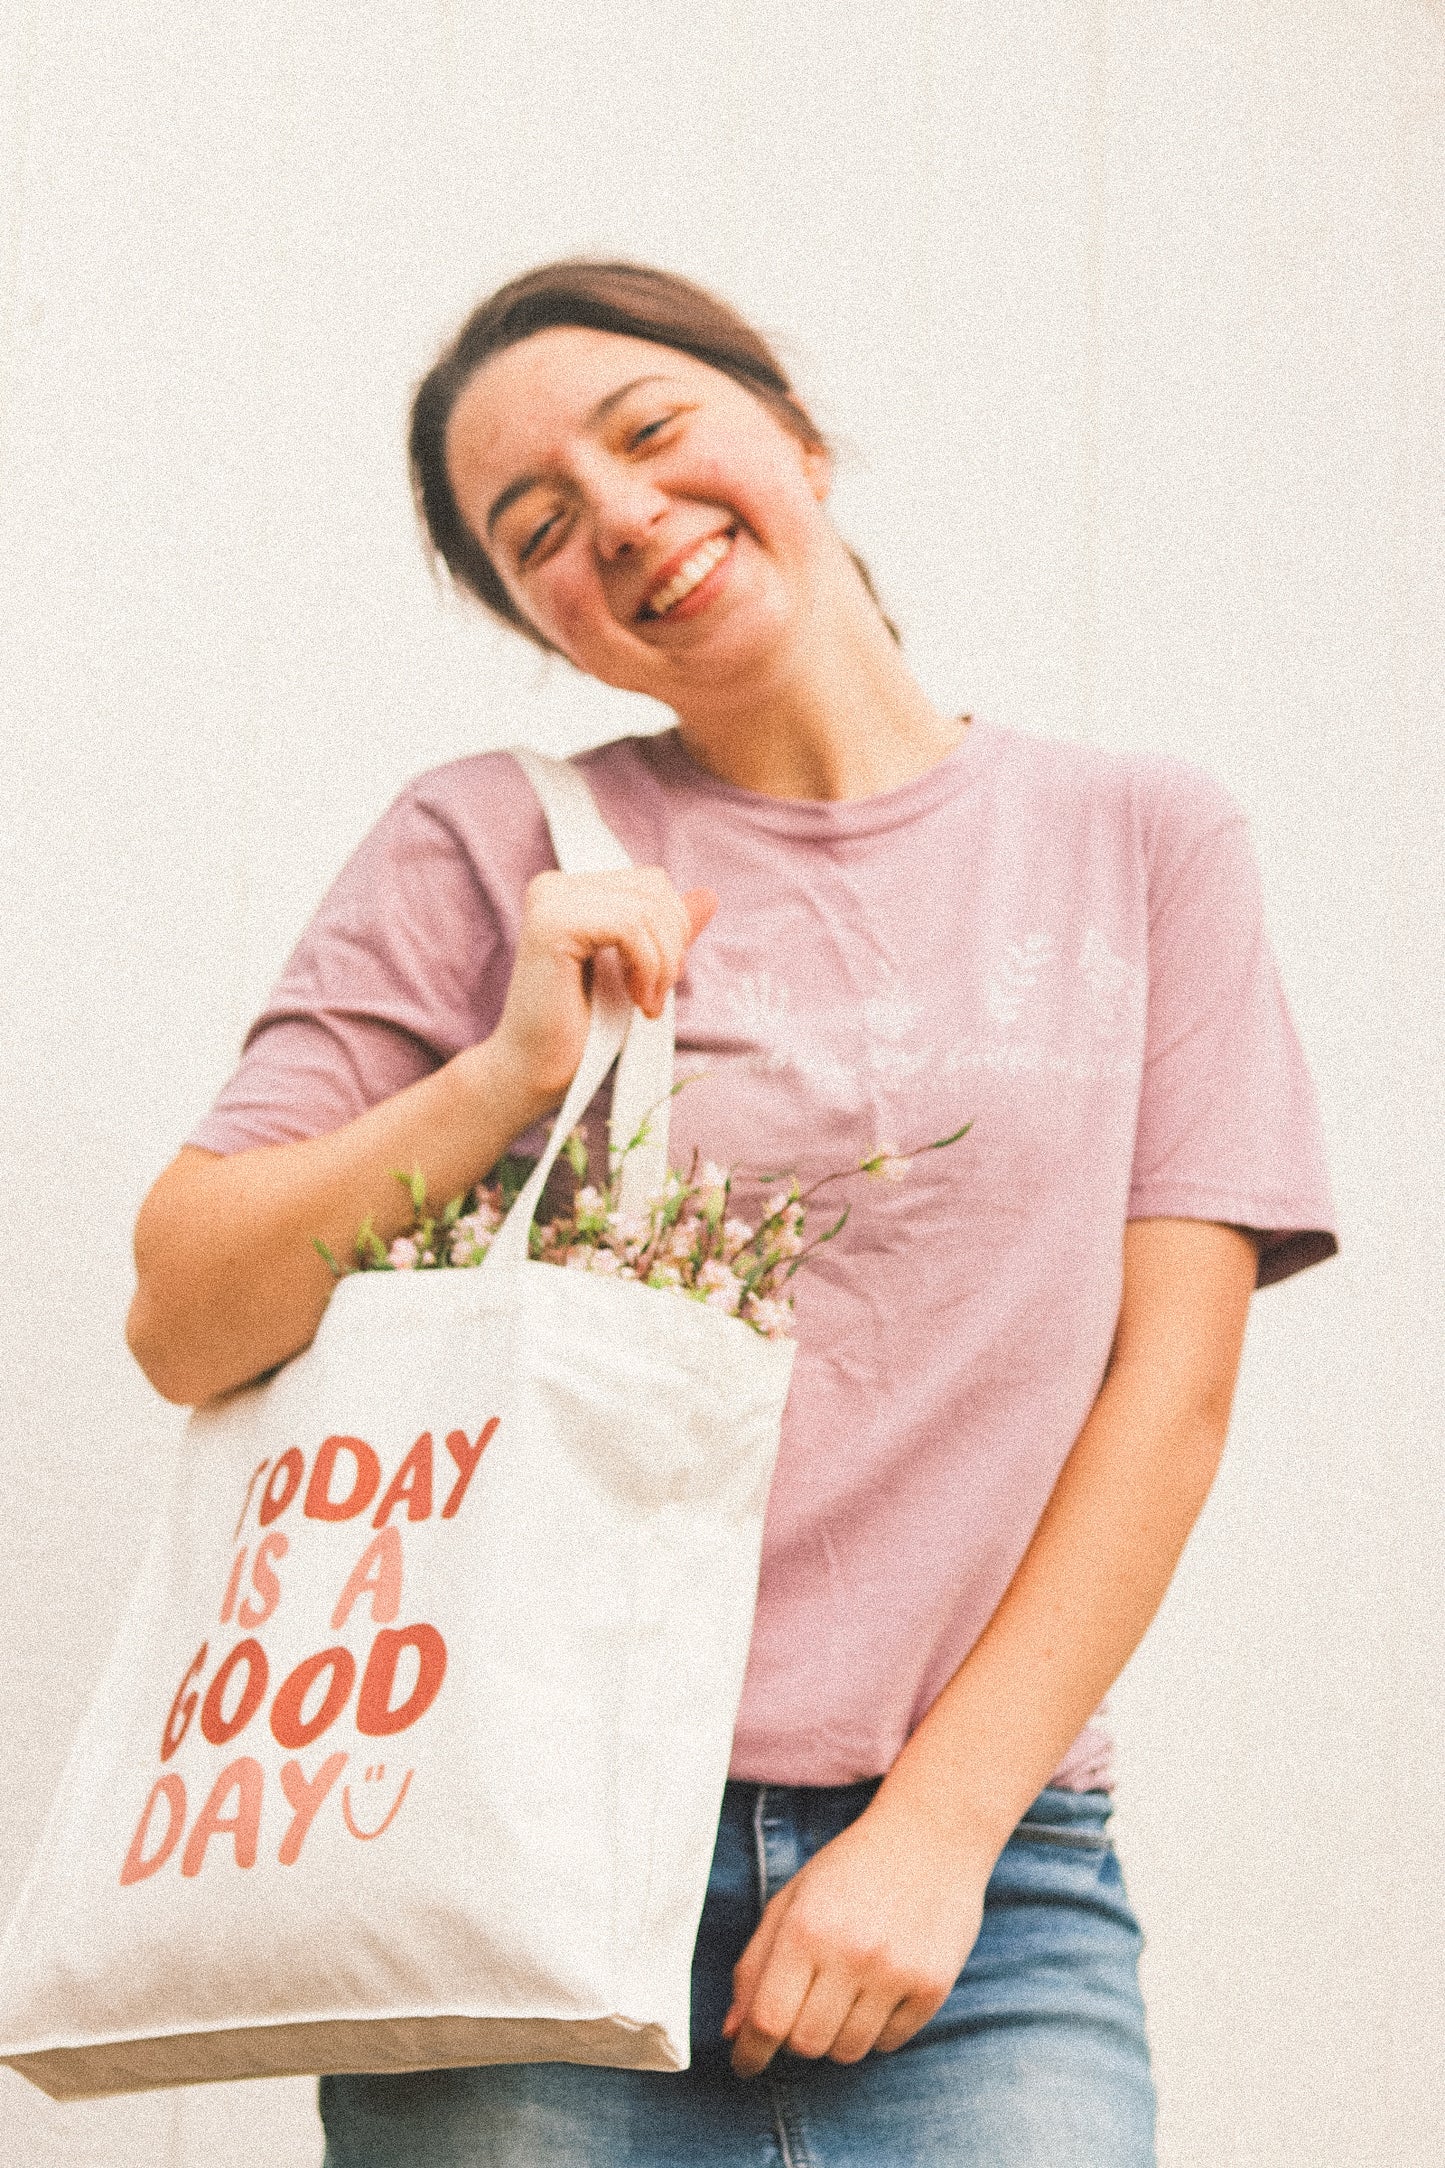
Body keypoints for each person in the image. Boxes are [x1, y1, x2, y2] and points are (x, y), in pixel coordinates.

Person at [126, 260, 1338, 2166]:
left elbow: (1164, 1394)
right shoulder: (483, 845)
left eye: (650, 431)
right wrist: (504, 1075)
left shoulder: (1141, 839)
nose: (620, 518)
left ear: (794, 432)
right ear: (547, 621)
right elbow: (185, 1313)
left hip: (986, 1891)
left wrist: (934, 1837)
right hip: (501, 1861)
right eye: (539, 530)